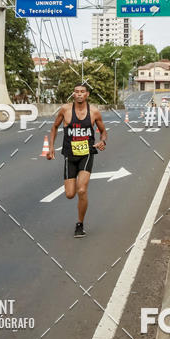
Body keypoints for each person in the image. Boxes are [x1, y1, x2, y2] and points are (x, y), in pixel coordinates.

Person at [47, 84, 107, 237]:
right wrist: (51, 147)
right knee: (70, 194)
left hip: (87, 153)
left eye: (82, 92)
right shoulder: (65, 110)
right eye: (76, 92)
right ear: (73, 94)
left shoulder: (94, 112)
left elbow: (103, 131)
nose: (79, 94)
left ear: (87, 94)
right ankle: (79, 213)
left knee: (82, 189)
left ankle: (80, 224)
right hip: (69, 154)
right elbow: (54, 127)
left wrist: (102, 141)